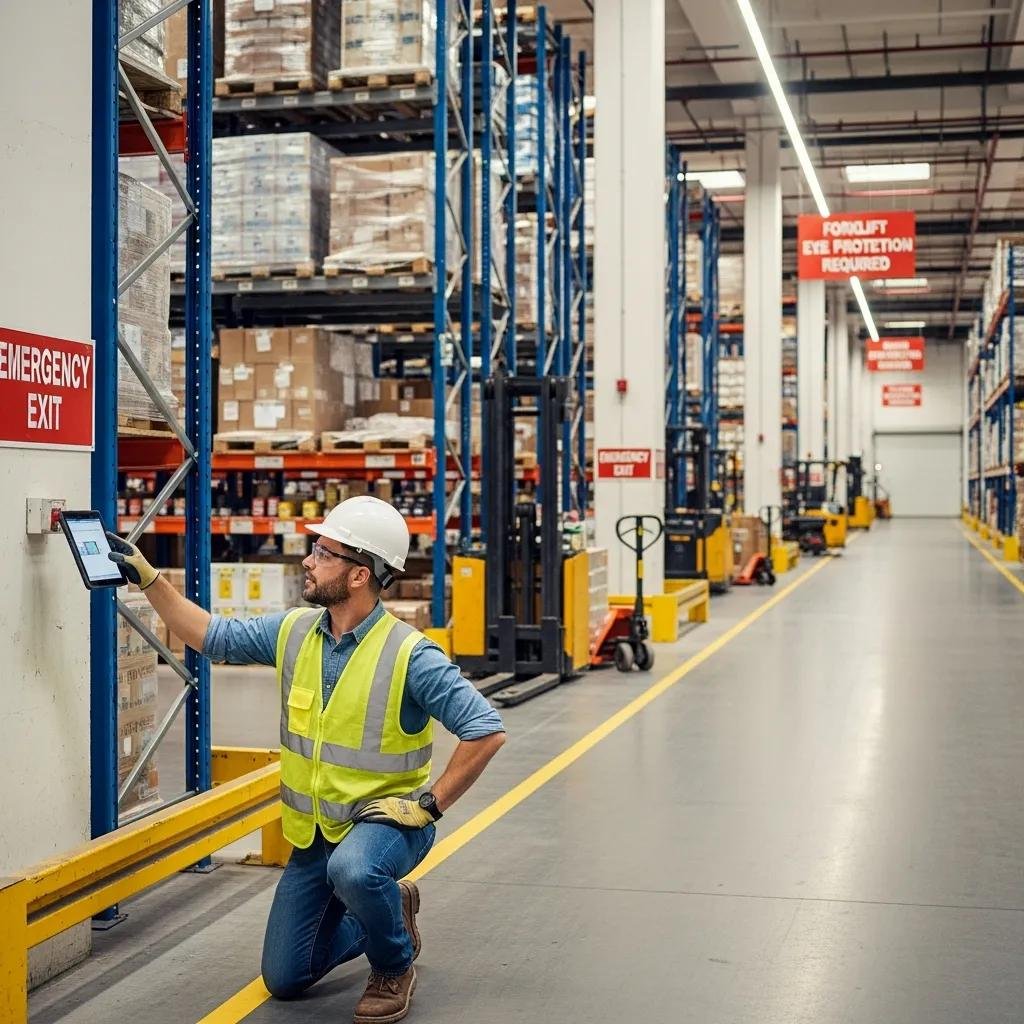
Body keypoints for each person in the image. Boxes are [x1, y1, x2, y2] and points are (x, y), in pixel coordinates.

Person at [108, 496, 506, 1023]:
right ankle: (389, 911)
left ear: (360, 574)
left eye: (323, 551)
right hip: (316, 832)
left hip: (384, 827)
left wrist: (430, 805)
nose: (308, 560)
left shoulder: (412, 654)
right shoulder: (296, 631)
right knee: (286, 977)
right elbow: (212, 637)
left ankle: (394, 964)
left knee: (356, 870)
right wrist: (150, 579)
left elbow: (486, 729)